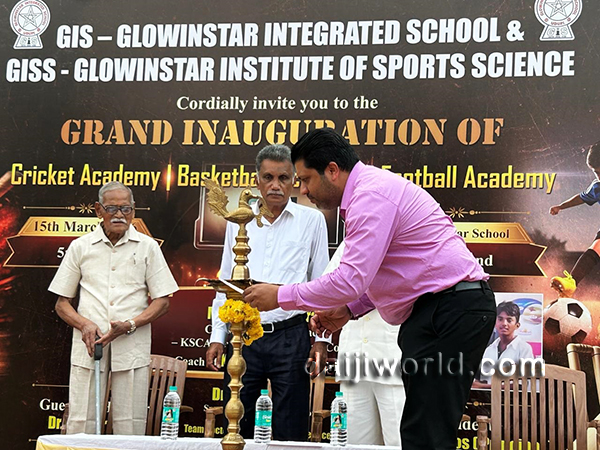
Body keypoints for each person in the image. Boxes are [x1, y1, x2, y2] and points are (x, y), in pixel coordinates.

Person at [243, 128, 496, 450]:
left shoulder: (370, 196)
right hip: (440, 310)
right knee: (421, 431)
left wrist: (280, 296)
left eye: (305, 180)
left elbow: (350, 279)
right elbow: (389, 272)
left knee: (426, 433)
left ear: (332, 170)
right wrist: (350, 309)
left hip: (450, 309)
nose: (302, 190)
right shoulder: (367, 193)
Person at [205, 144, 330, 441]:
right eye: (268, 177)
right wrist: (217, 336)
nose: (276, 185)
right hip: (244, 335)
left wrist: (322, 340)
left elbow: (322, 285)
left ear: (294, 181)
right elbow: (227, 283)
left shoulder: (312, 221)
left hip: (291, 334)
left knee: (291, 427)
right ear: (257, 180)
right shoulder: (239, 221)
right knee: (238, 423)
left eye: (284, 178)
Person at [49, 181, 178, 435]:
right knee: (81, 424)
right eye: (112, 208)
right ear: (98, 210)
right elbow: (62, 304)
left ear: (134, 210)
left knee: (130, 426)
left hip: (131, 341)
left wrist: (130, 325)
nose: (119, 215)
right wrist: (84, 324)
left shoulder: (147, 246)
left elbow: (163, 302)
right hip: (90, 343)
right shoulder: (81, 246)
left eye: (126, 209)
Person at [329, 242, 405, 447]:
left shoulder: (404, 240)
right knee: (354, 442)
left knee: (399, 442)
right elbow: (328, 285)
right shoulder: (350, 243)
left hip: (392, 360)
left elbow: (398, 284)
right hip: (354, 361)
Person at [550, 141, 600, 298]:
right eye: (596, 172)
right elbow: (581, 198)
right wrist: (561, 206)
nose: (599, 176)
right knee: (597, 246)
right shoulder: (597, 188)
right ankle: (571, 283)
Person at [473, 301, 534, 389]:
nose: (504, 323)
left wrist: (487, 387)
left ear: (517, 325)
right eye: (500, 319)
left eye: (509, 320)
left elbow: (521, 384)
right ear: (495, 323)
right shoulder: (489, 350)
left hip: (513, 398)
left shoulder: (524, 349)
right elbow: (483, 381)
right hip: (489, 397)